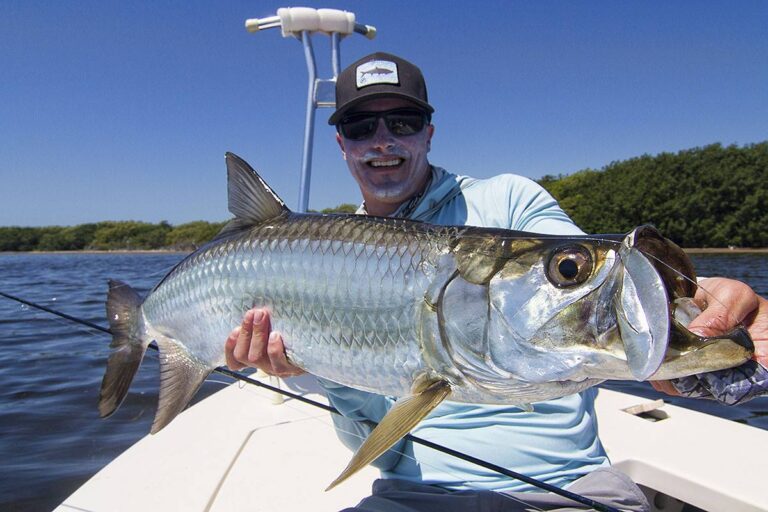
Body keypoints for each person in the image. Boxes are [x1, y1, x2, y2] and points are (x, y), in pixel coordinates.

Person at [224, 53, 768, 511]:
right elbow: (380, 446)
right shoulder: (315, 252)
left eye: (403, 122)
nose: (382, 140)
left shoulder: (509, 202)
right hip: (414, 495)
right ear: (342, 143)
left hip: (569, 489)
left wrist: (690, 308)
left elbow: (583, 284)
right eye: (361, 127)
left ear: (429, 132)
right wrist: (320, 363)